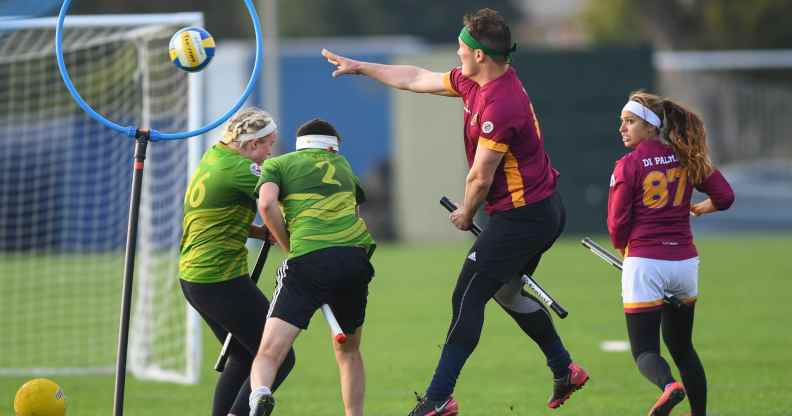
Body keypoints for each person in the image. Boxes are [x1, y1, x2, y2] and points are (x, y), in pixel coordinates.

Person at [322, 8, 588, 415]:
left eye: (464, 46)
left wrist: (466, 213)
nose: (458, 52)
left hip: (525, 216)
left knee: (468, 295)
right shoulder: (477, 80)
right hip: (534, 210)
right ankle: (563, 368)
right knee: (505, 292)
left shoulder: (501, 105)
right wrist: (361, 67)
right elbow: (416, 78)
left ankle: (437, 398)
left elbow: (480, 177)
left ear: (481, 54)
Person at [608, 91, 735, 416]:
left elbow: (617, 224)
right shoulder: (685, 157)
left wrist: (624, 251)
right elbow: (725, 196)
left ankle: (668, 386)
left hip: (645, 263)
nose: (622, 128)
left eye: (630, 122)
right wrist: (702, 209)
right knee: (682, 348)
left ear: (650, 126)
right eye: (622, 121)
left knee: (645, 351)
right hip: (685, 265)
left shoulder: (628, 165)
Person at [248, 118, 376, 416]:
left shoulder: (277, 165)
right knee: (349, 351)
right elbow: (357, 214)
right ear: (332, 146)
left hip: (308, 260)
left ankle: (261, 395)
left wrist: (287, 245)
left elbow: (266, 205)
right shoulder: (343, 165)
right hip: (354, 259)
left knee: (268, 353)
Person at [178, 107, 296, 416]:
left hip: (195, 279)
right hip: (219, 279)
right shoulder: (242, 169)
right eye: (269, 144)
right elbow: (283, 199)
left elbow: (217, 218)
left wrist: (259, 230)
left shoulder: (214, 157)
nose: (272, 151)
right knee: (278, 357)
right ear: (252, 144)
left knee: (245, 355)